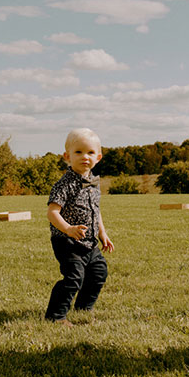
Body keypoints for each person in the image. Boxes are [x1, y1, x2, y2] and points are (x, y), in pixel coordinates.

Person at [44, 128, 114, 325]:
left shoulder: (93, 183)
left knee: (99, 272)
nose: (85, 157)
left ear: (98, 157)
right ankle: (56, 316)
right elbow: (52, 212)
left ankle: (84, 308)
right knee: (74, 277)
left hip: (89, 242)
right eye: (78, 152)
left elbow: (95, 211)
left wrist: (103, 234)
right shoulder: (64, 184)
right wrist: (68, 229)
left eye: (90, 152)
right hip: (66, 241)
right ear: (67, 156)